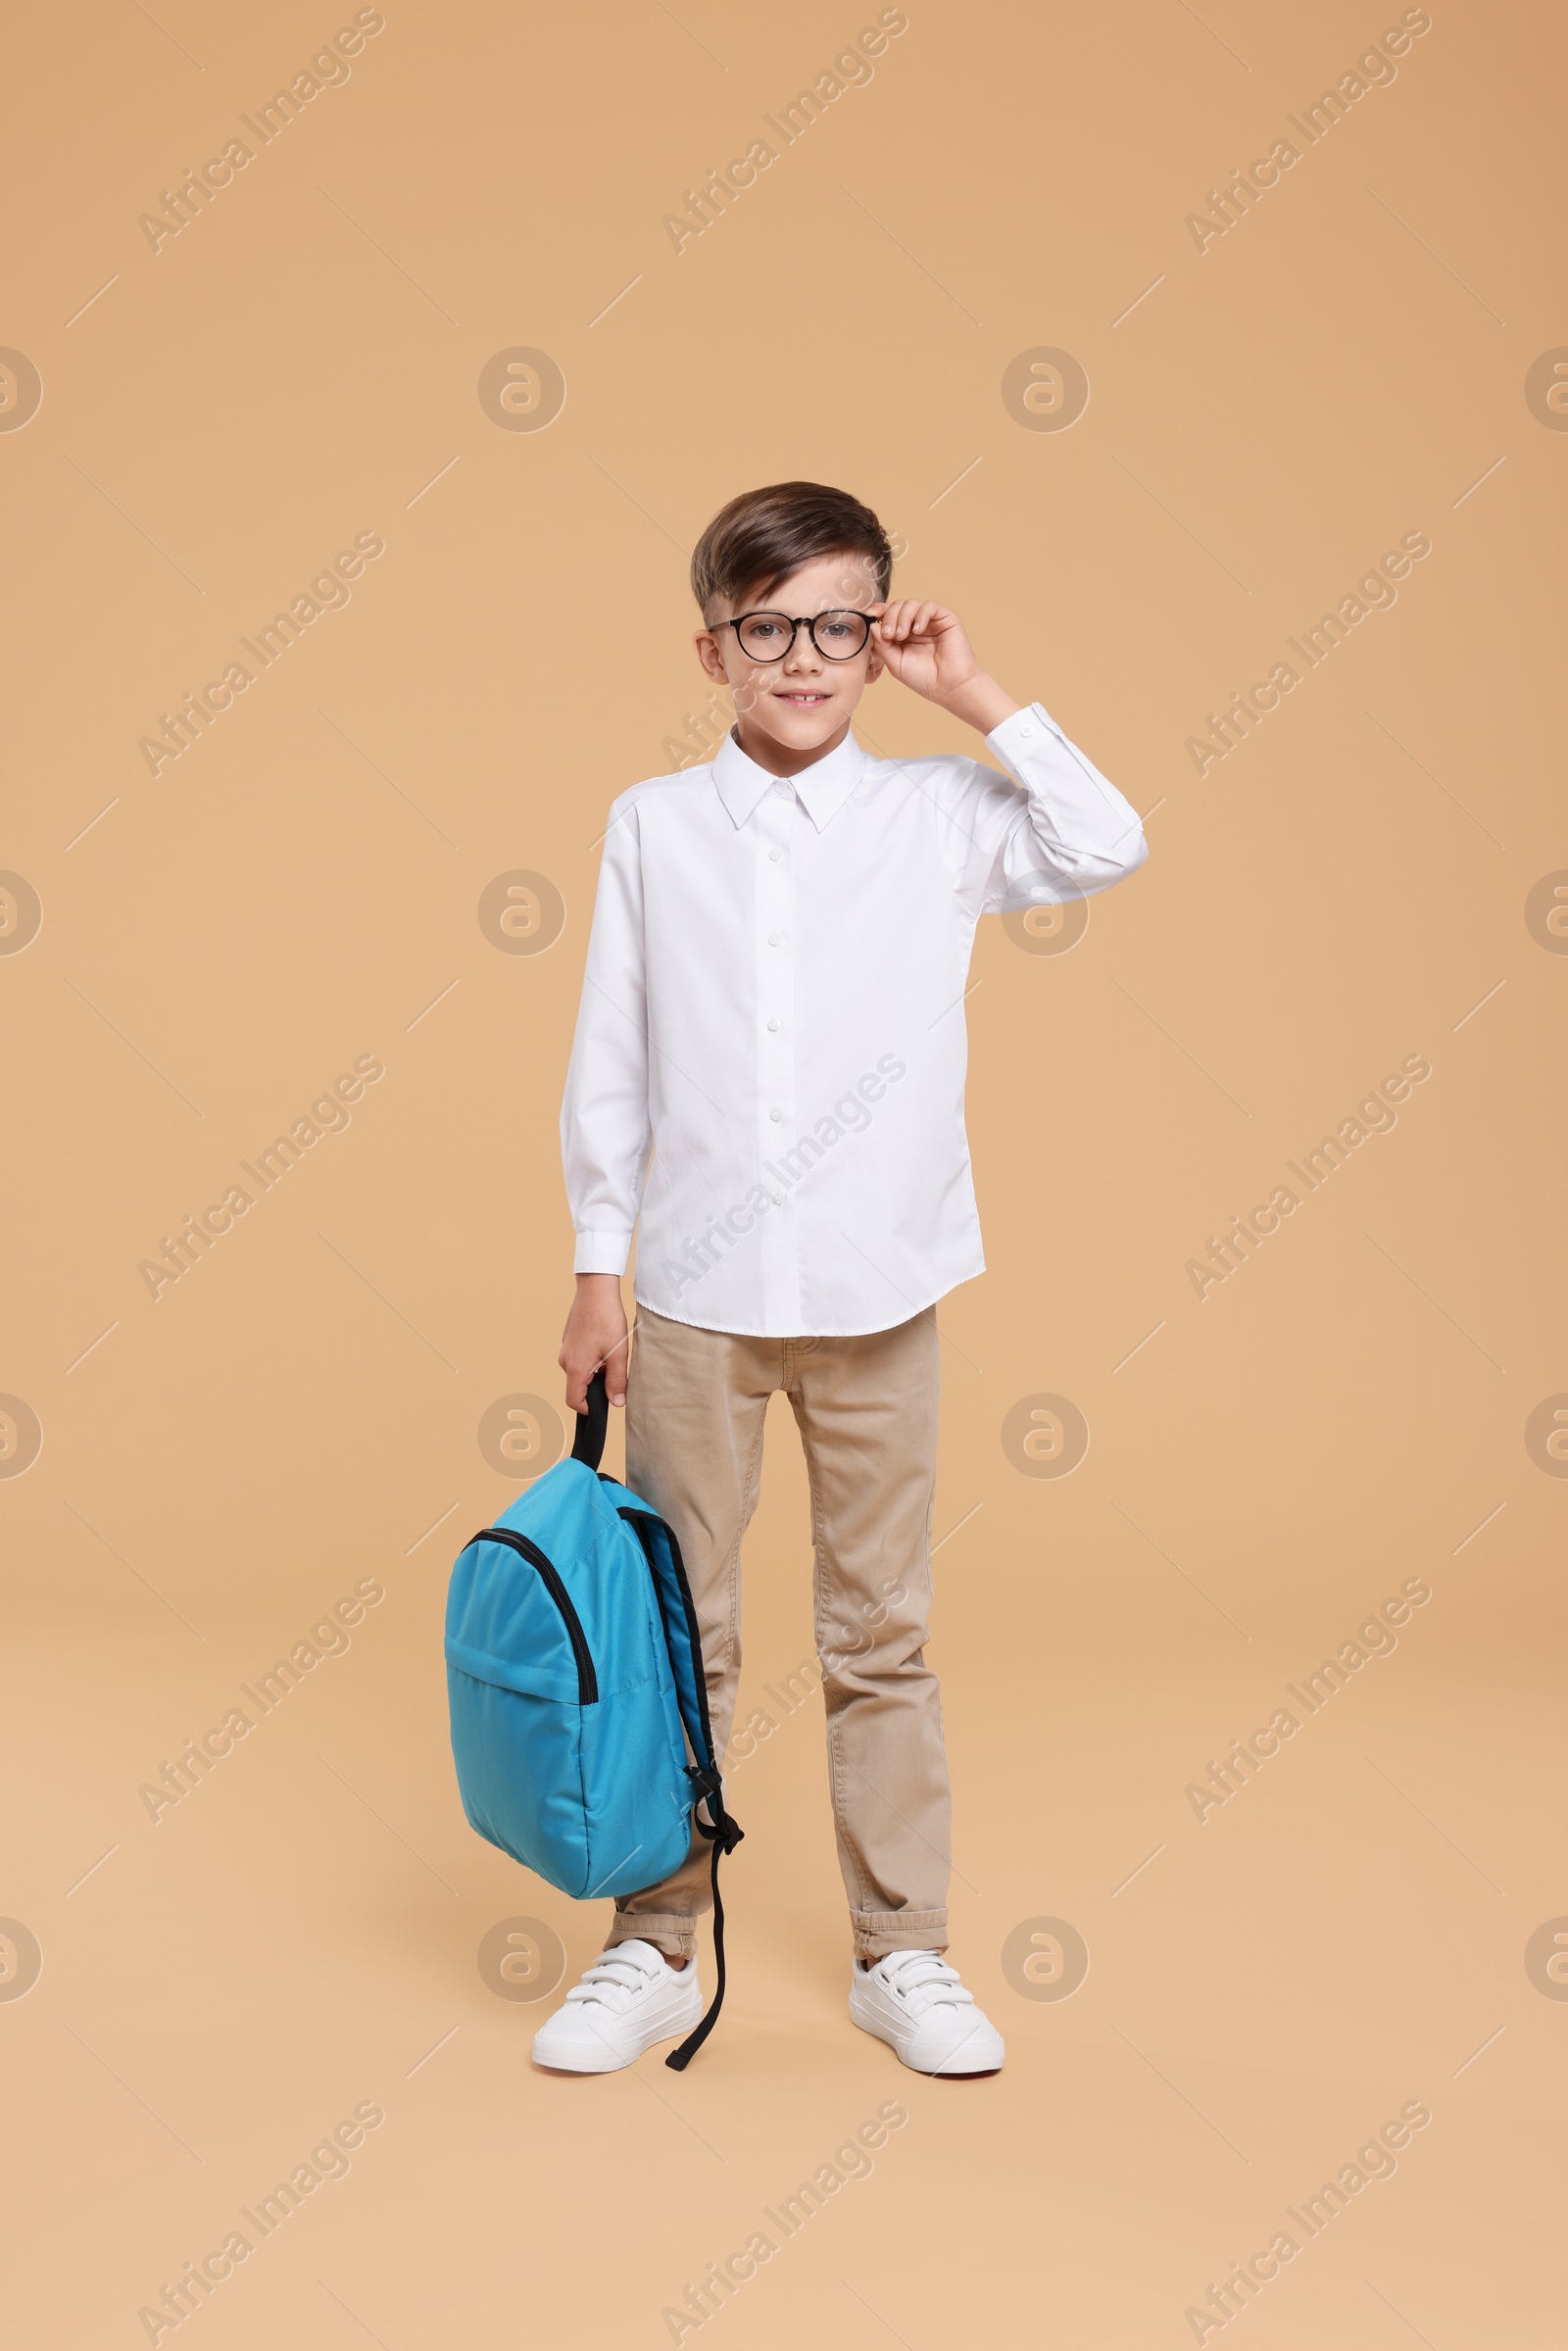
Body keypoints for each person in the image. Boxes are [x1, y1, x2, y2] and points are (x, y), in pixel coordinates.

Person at [532, 481, 1148, 2075]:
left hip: (880, 1291)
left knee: (882, 1635)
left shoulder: (940, 814)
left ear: (876, 636)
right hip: (692, 1299)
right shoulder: (653, 825)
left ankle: (905, 1953)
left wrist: (977, 694)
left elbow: (1107, 840)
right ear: (714, 645)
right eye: (767, 627)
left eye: (836, 623)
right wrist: (600, 1264)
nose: (801, 656)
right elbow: (613, 1059)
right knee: (687, 1631)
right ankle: (654, 1943)